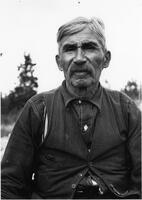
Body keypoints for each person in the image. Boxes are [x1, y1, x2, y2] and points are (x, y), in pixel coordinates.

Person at [1, 17, 141, 199]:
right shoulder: (38, 110)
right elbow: (9, 185)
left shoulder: (126, 109)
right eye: (70, 49)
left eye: (89, 47)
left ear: (106, 58)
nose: (80, 58)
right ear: (59, 62)